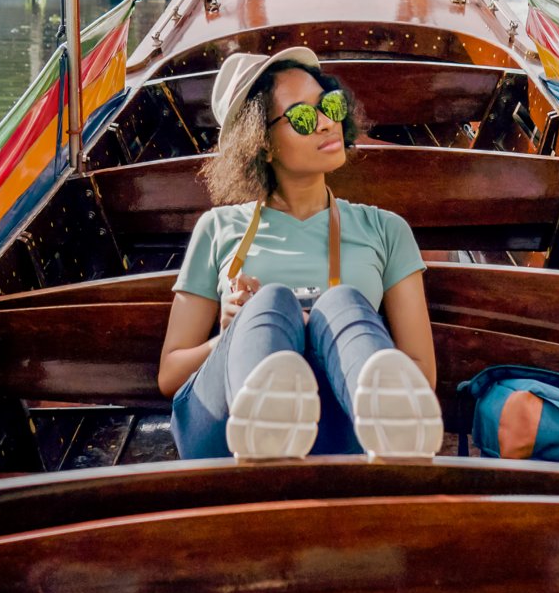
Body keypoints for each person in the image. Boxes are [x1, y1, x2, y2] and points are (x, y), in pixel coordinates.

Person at [157, 46, 443, 460]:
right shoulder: (218, 228)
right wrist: (228, 334)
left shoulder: (386, 229)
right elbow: (171, 373)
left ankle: (392, 432)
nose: (327, 122)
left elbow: (421, 371)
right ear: (263, 144)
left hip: (343, 426)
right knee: (272, 301)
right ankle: (263, 426)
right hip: (225, 434)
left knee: (342, 300)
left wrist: (326, 326)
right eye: (303, 117)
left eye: (329, 105)